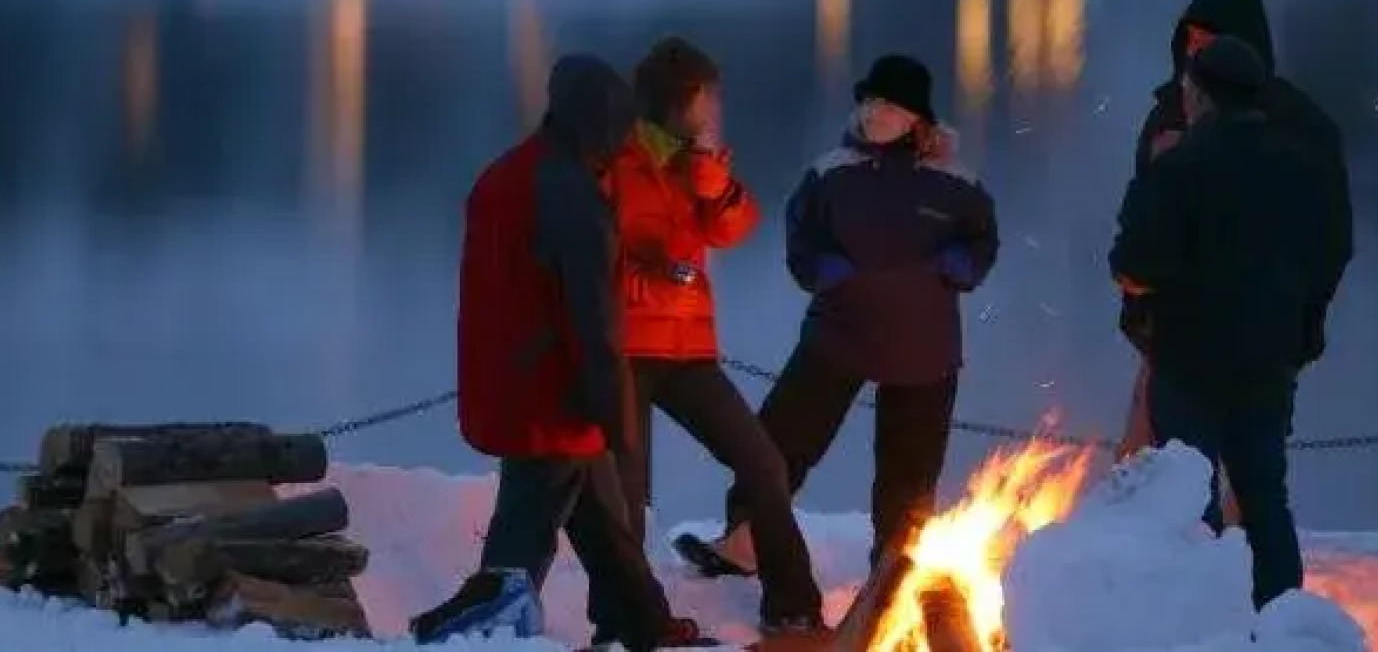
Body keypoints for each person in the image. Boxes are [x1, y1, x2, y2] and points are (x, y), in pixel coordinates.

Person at [410, 54, 714, 652]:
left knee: (605, 520)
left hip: (505, 374)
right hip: (554, 388)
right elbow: (594, 317)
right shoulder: (574, 196)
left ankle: (646, 624)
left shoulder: (507, 175)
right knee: (524, 535)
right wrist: (617, 414)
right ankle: (464, 635)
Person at [686, 54, 1000, 573]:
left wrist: (957, 267)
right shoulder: (832, 173)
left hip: (923, 347)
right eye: (869, 101)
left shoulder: (956, 183)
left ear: (916, 118)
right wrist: (824, 270)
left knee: (909, 470)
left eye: (888, 104)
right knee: (780, 440)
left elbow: (983, 241)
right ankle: (746, 538)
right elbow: (801, 237)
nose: (873, 112)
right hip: (838, 334)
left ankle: (894, 566)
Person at [607, 37, 827, 636]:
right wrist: (654, 273)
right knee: (628, 496)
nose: (713, 111)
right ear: (679, 101)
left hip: (687, 353)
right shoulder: (614, 162)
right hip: (623, 349)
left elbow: (734, 229)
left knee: (762, 462)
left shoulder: (693, 163)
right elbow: (588, 257)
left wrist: (711, 179)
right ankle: (630, 621)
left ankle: (793, 606)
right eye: (706, 99)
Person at [1108, 34, 1332, 609]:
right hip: (1269, 360)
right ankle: (1282, 625)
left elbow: (1134, 265)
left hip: (1191, 361)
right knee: (1265, 499)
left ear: (1200, 95)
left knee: (1187, 497)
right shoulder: (1299, 170)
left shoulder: (1179, 168)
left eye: (1187, 87)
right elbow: (1321, 261)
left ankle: (1202, 623)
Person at [1115, 0, 1354, 514]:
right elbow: (1145, 222)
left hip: (1262, 337)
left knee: (1252, 487)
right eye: (1190, 40)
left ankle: (1254, 590)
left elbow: (1329, 240)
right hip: (1173, 335)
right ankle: (1148, 581)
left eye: (1210, 41)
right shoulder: (1168, 114)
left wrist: (1299, 316)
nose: (1196, 52)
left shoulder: (1300, 128)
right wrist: (1139, 304)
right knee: (1151, 473)